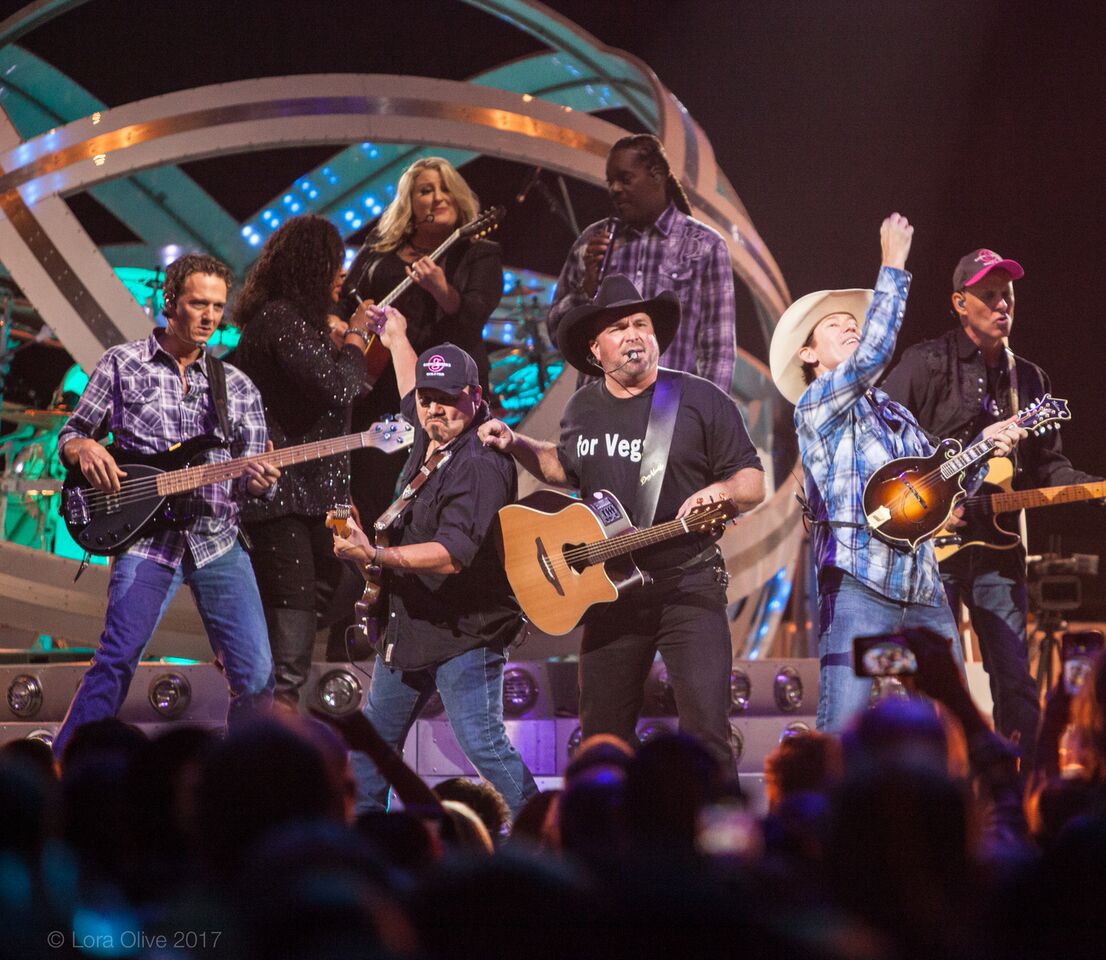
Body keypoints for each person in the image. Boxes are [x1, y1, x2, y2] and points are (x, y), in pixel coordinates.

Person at [480, 274, 765, 765]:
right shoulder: (582, 406)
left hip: (687, 587)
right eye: (618, 328)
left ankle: (718, 838)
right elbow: (564, 467)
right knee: (601, 743)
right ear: (595, 350)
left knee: (708, 738)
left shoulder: (699, 399)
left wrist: (720, 490)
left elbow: (752, 482)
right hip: (611, 595)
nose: (633, 334)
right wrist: (518, 444)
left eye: (641, 324)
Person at [768, 215, 1025, 732]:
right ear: (808, 353)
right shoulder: (818, 405)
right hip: (861, 587)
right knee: (843, 719)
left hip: (922, 588)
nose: (849, 323)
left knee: (954, 724)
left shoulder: (893, 411)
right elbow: (871, 357)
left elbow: (940, 491)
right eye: (833, 322)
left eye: (853, 320)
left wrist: (982, 452)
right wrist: (893, 263)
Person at [53, 253, 279, 756]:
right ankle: (64, 771)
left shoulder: (237, 387)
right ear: (169, 302)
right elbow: (71, 433)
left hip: (217, 540)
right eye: (198, 303)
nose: (209, 316)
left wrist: (261, 482)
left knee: (258, 675)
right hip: (147, 540)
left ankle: (243, 781)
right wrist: (83, 447)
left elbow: (251, 483)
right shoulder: (121, 363)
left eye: (218, 306)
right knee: (116, 660)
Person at [882, 248, 1103, 762]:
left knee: (1015, 681)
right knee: (933, 681)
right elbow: (881, 443)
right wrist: (936, 500)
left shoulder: (1030, 382)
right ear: (960, 303)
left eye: (1007, 294)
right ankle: (935, 786)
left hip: (997, 551)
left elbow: (1048, 468)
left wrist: (1093, 489)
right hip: (925, 550)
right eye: (988, 295)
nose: (1002, 304)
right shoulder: (925, 362)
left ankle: (1020, 791)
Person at [331, 307, 537, 817]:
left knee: (484, 745)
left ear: (476, 397)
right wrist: (398, 335)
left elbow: (452, 555)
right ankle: (371, 850)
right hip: (411, 627)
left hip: (463, 634)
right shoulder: (432, 429)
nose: (434, 411)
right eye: (429, 400)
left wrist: (375, 554)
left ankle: (544, 834)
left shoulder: (481, 461)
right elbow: (410, 389)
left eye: (448, 400)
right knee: (371, 752)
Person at [232, 215, 371, 704]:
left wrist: (342, 492)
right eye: (336, 264)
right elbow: (339, 388)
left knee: (350, 578)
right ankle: (272, 736)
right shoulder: (279, 319)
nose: (343, 275)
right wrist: (356, 339)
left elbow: (320, 417)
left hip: (321, 495)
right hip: (281, 498)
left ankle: (255, 648)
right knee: (291, 646)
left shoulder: (300, 324)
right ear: (312, 265)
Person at [333, 157, 503, 524]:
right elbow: (347, 292)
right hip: (378, 385)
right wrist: (347, 317)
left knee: (443, 476)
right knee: (370, 475)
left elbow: (473, 319)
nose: (438, 198)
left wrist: (442, 289)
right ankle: (368, 561)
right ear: (410, 203)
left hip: (444, 389)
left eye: (445, 189)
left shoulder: (478, 253)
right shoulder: (382, 246)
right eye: (426, 191)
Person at [547, 133, 736, 393]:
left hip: (666, 407)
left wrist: (708, 418)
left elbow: (718, 349)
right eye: (610, 181)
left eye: (625, 179)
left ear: (657, 175)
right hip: (600, 407)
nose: (614, 189)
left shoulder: (705, 245)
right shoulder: (593, 241)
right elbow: (555, 334)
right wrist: (584, 289)